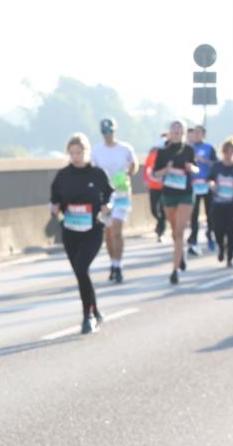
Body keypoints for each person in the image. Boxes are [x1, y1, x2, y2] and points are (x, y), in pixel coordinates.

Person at [50, 133, 113, 334]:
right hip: (70, 231)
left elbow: (109, 195)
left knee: (81, 267)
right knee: (80, 273)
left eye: (79, 153)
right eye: (72, 153)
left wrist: (107, 206)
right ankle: (95, 309)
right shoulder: (63, 175)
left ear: (87, 152)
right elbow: (55, 198)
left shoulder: (98, 174)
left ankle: (88, 316)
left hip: (92, 229)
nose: (76, 157)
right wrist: (55, 208)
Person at [91, 118, 137, 283]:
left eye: (110, 131)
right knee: (109, 234)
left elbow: (134, 164)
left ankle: (118, 265)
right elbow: (92, 171)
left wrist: (127, 174)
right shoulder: (96, 151)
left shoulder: (125, 148)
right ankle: (113, 262)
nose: (107, 134)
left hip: (121, 194)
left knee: (117, 231)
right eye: (104, 132)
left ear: (115, 130)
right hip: (105, 196)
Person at [153, 120, 199, 284]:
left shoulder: (188, 150)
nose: (177, 131)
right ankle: (181, 254)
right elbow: (155, 173)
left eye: (180, 129)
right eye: (174, 128)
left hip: (185, 194)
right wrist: (166, 170)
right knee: (174, 232)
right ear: (170, 132)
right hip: (169, 194)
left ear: (184, 133)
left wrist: (190, 168)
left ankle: (174, 271)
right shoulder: (163, 151)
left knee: (179, 231)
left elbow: (196, 168)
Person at [207, 138, 233, 267]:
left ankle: (230, 257)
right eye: (226, 151)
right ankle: (221, 247)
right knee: (217, 229)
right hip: (218, 203)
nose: (228, 154)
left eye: (231, 151)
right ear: (223, 152)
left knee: (231, 231)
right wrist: (212, 185)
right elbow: (209, 179)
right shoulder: (217, 166)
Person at [187, 125, 218, 255]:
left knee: (209, 212)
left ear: (203, 135)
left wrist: (203, 160)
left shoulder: (209, 148)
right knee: (194, 214)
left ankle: (210, 233)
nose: (196, 135)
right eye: (195, 133)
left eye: (199, 133)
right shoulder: (189, 149)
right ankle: (194, 238)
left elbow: (215, 164)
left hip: (206, 184)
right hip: (194, 185)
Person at [144, 133, 168, 242]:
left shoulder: (168, 155)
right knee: (154, 210)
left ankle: (161, 232)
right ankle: (160, 222)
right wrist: (146, 180)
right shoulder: (152, 155)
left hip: (165, 187)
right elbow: (147, 168)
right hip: (153, 186)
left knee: (163, 210)